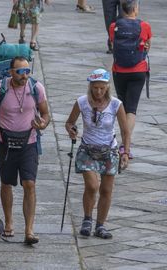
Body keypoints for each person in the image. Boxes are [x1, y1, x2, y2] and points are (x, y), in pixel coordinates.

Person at [0, 56, 50, 245]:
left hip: (29, 143)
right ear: (11, 72)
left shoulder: (36, 88)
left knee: (29, 184)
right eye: (20, 71)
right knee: (7, 183)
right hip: (5, 143)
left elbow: (45, 114)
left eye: (27, 71)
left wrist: (42, 124)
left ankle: (29, 230)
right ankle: (9, 222)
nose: (24, 75)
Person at [65, 68, 130, 239]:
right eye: (95, 88)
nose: (99, 91)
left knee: (107, 189)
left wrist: (125, 152)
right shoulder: (82, 102)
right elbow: (70, 122)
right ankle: (87, 219)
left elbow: (125, 131)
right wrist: (71, 129)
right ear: (90, 86)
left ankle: (100, 225)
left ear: (107, 87)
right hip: (87, 149)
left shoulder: (116, 104)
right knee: (92, 186)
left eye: (102, 88)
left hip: (109, 150)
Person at [109, 0, 151, 157]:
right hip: (138, 71)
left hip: (119, 71)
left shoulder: (114, 26)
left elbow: (114, 45)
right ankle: (125, 145)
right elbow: (147, 46)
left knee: (122, 107)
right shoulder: (145, 26)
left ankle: (121, 143)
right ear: (135, 9)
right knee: (131, 109)